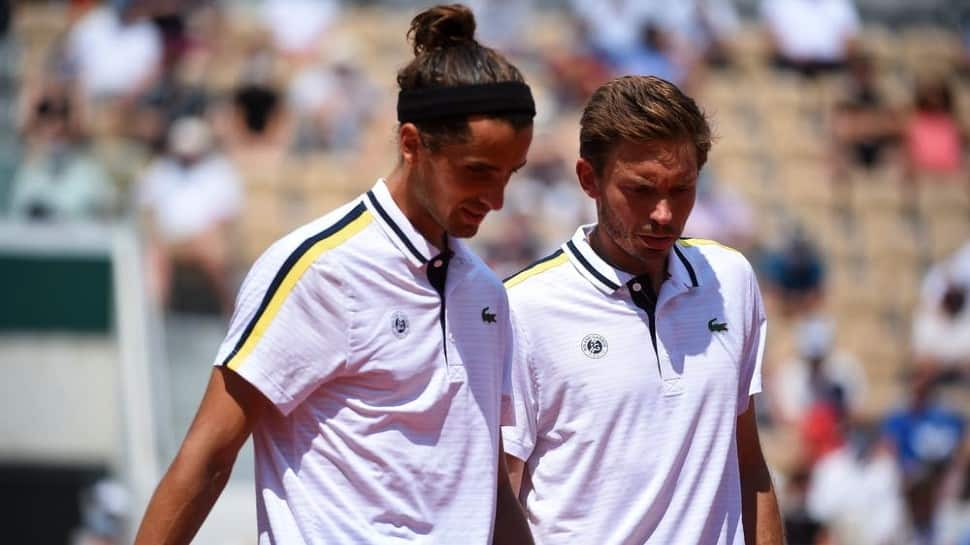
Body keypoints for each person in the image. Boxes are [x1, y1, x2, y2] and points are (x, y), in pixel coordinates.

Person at [133, 5, 535, 544]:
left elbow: (486, 483)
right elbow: (208, 455)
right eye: (478, 172)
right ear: (412, 144)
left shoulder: (487, 293)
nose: (497, 198)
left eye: (510, 174)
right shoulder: (320, 270)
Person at [501, 75, 784, 545]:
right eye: (641, 190)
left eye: (682, 189)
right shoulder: (523, 309)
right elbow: (499, 498)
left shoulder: (731, 280)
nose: (664, 214)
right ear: (588, 179)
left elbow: (749, 462)